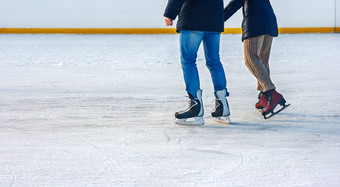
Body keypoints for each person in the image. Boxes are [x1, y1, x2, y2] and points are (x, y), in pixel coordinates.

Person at [164, 0, 231, 125]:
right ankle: (222, 106)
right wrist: (219, 17)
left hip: (193, 19)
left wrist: (170, 13)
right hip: (214, 21)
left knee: (188, 61)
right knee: (214, 61)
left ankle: (195, 106)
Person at [224, 0, 289, 119]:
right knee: (262, 60)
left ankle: (271, 92)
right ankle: (264, 95)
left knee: (250, 58)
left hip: (255, 22)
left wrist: (219, 20)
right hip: (269, 20)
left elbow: (235, 3)